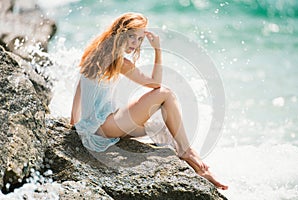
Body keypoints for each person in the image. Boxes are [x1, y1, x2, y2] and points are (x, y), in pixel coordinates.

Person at [70, 12, 228, 190]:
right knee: (166, 94)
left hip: (96, 127)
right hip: (105, 125)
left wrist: (74, 124)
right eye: (131, 37)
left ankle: (199, 171)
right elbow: (156, 84)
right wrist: (157, 50)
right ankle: (187, 151)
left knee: (162, 129)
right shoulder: (119, 62)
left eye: (139, 39)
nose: (135, 44)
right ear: (120, 33)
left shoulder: (93, 53)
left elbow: (79, 88)